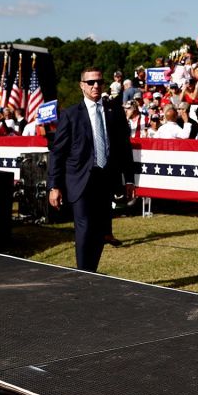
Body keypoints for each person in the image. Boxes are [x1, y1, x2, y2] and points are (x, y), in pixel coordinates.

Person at [47, 67, 137, 273]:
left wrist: (129, 180)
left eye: (99, 82)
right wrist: (54, 185)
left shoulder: (114, 112)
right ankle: (83, 273)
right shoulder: (70, 115)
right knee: (84, 226)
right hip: (79, 180)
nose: (96, 85)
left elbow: (124, 148)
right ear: (82, 86)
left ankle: (91, 274)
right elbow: (58, 153)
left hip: (105, 179)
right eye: (90, 82)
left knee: (99, 230)